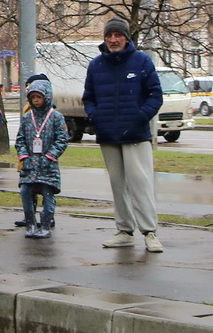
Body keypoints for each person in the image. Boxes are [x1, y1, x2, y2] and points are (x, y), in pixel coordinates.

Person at [83, 18, 164, 252]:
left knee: (140, 183)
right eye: (109, 35)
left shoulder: (141, 61)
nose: (113, 39)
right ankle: (124, 231)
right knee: (117, 184)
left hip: (136, 134)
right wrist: (95, 116)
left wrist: (141, 116)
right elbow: (89, 97)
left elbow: (155, 95)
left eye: (117, 35)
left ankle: (149, 232)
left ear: (126, 37)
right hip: (108, 134)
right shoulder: (96, 65)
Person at [16, 74, 68, 238]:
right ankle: (30, 224)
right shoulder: (26, 118)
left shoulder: (56, 117)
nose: (36, 100)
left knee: (47, 193)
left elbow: (62, 139)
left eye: (39, 97)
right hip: (30, 164)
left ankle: (45, 224)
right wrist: (24, 156)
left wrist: (50, 156)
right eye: (33, 97)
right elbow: (20, 139)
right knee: (26, 191)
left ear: (46, 97)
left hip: (48, 165)